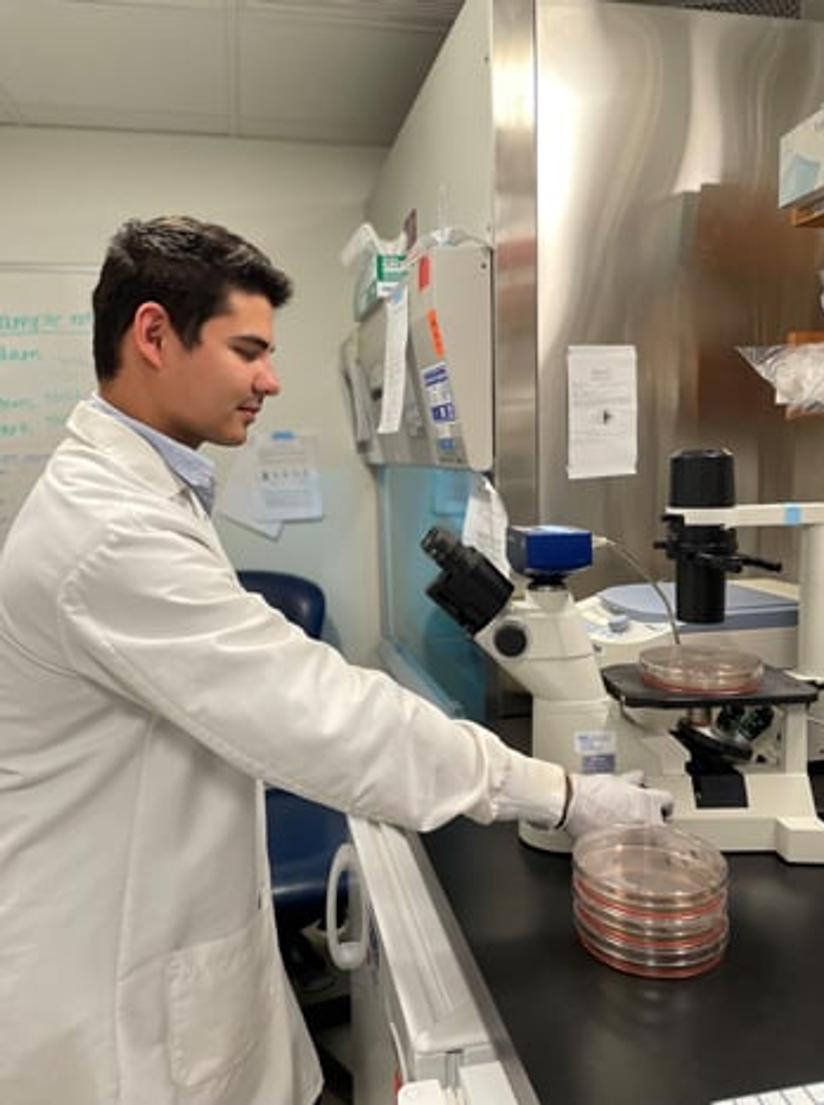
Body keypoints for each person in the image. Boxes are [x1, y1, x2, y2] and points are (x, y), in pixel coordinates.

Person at [0, 216, 672, 1105]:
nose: (271, 380)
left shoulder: (147, 487)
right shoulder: (108, 529)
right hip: (111, 982)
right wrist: (564, 794)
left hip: (151, 924)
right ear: (154, 333)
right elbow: (313, 708)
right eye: (248, 350)